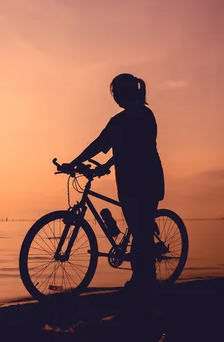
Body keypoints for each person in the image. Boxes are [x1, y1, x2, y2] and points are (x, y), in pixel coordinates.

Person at [60, 73, 165, 297]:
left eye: (117, 92)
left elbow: (137, 147)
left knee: (141, 231)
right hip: (127, 180)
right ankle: (142, 280)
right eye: (114, 93)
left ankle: (145, 283)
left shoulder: (144, 115)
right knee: (136, 227)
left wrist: (106, 164)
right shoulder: (117, 121)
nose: (116, 96)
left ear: (129, 92)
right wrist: (75, 162)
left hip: (146, 178)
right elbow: (99, 143)